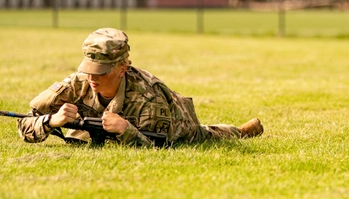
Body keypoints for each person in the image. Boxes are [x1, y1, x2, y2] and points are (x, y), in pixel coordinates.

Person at [18, 28, 264, 147]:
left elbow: (161, 147)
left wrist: (125, 130)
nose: (93, 77)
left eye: (102, 70)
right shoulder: (75, 84)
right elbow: (25, 123)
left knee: (204, 135)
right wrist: (50, 122)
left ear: (123, 67)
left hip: (177, 124)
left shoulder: (149, 97)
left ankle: (241, 131)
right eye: (90, 68)